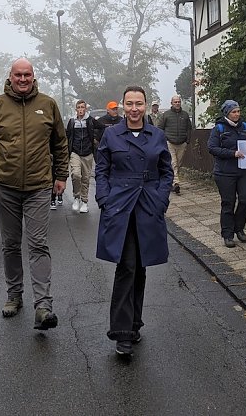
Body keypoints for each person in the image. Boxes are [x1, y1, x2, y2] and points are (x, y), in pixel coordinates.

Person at [0, 57, 69, 330]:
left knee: (38, 244)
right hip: (5, 186)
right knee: (11, 244)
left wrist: (60, 175)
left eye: (28, 74)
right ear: (11, 76)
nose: (23, 79)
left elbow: (60, 142)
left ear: (33, 76)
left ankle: (43, 306)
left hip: (39, 186)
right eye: (19, 75)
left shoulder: (48, 105)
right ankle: (14, 295)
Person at [95, 86, 173, 357]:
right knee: (126, 266)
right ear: (123, 107)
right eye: (129, 104)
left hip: (148, 206)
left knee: (140, 267)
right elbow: (102, 168)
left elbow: (166, 171)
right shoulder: (111, 134)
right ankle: (122, 332)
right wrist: (104, 198)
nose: (134, 109)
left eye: (139, 103)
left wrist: (161, 200)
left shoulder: (157, 135)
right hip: (120, 206)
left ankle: (134, 324)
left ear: (145, 105)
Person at [208, 100, 246, 248]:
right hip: (224, 172)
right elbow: (212, 148)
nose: (237, 114)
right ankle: (228, 234)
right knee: (228, 203)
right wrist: (232, 153)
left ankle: (239, 227)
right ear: (227, 113)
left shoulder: (245, 127)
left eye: (238, 111)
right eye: (233, 112)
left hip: (243, 170)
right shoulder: (219, 129)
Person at [66, 99, 97, 214]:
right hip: (75, 153)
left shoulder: (90, 120)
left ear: (85, 109)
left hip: (88, 153)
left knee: (85, 178)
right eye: (78, 107)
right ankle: (76, 197)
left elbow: (102, 127)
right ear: (76, 109)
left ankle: (84, 201)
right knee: (76, 175)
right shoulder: (72, 121)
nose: (80, 110)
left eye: (82, 107)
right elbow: (67, 135)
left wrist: (96, 141)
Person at [157, 95, 192, 194]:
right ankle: (176, 183)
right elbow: (160, 128)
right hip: (170, 142)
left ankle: (172, 182)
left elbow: (189, 128)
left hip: (182, 143)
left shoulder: (185, 115)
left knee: (178, 164)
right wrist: (164, 140)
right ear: (171, 103)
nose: (177, 103)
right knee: (174, 163)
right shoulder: (166, 115)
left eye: (178, 102)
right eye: (175, 102)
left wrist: (187, 140)